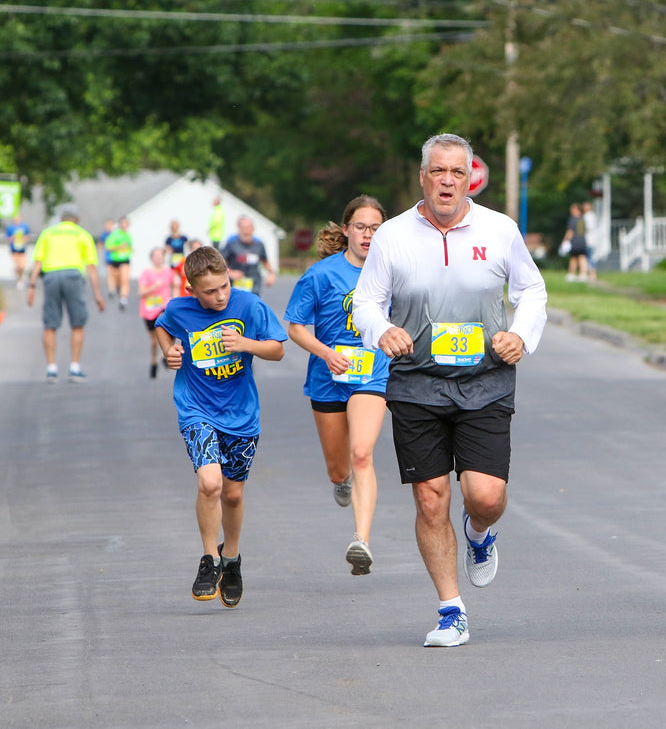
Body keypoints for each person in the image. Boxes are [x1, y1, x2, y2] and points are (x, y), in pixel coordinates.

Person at [352, 133, 548, 647]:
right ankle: (450, 610)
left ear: (469, 178)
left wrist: (521, 336)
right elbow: (366, 302)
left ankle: (479, 535)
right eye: (437, 171)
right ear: (423, 177)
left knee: (484, 495)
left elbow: (532, 291)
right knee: (431, 498)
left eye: (456, 172)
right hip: (416, 382)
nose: (446, 180)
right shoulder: (393, 235)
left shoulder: (499, 229)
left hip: (484, 380)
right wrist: (382, 331)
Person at [155, 246, 287, 607]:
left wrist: (246, 344)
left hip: (241, 415)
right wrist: (169, 352)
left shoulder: (249, 305)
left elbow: (278, 350)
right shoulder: (179, 310)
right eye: (209, 291)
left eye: (224, 286)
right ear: (191, 290)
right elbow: (161, 328)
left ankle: (231, 558)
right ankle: (208, 560)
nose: (219, 296)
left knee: (232, 493)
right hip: (196, 409)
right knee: (210, 483)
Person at [285, 196, 391, 575]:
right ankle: (341, 481)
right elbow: (295, 326)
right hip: (328, 379)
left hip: (373, 375)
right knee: (338, 468)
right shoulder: (321, 274)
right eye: (361, 227)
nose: (368, 235)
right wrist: (327, 353)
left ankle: (361, 540)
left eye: (376, 228)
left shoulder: (392, 272)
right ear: (346, 229)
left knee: (362, 453)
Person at [26, 206, 106, 382]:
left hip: (51, 276)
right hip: (73, 276)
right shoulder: (82, 234)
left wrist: (31, 286)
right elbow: (92, 268)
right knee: (77, 323)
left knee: (50, 324)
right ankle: (74, 368)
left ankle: (51, 368)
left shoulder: (48, 233)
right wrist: (98, 295)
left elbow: (38, 263)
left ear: (61, 219)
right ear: (76, 219)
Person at [138, 247, 176, 379]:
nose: (159, 259)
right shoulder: (146, 273)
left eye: (161, 256)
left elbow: (175, 286)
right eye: (156, 256)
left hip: (164, 307)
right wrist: (153, 287)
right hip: (149, 310)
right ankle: (154, 361)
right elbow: (141, 292)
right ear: (151, 258)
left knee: (170, 333)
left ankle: (165, 355)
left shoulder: (169, 272)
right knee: (154, 339)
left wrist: (175, 301)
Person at [221, 215, 275, 296]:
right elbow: (220, 264)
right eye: (243, 227)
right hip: (235, 287)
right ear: (239, 228)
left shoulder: (259, 244)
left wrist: (271, 274)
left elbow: (265, 260)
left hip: (254, 286)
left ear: (253, 229)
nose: (246, 231)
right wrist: (230, 273)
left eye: (249, 227)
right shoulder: (231, 243)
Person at [104, 216, 133, 310]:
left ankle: (123, 299)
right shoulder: (115, 234)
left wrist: (130, 249)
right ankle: (117, 289)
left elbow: (130, 247)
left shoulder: (128, 235)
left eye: (126, 223)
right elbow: (108, 247)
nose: (124, 225)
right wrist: (119, 247)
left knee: (125, 279)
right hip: (115, 260)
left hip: (125, 260)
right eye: (123, 223)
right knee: (118, 279)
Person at [560, 202, 588, 281]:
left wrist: (564, 241)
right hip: (583, 240)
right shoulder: (583, 219)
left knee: (574, 258)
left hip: (575, 241)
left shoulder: (573, 219)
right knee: (582, 257)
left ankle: (572, 274)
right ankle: (583, 274)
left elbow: (570, 232)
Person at [5, 213, 31, 289]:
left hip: (22, 249)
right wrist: (13, 238)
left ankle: (21, 278)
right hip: (14, 249)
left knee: (23, 266)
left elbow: (28, 236)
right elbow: (7, 238)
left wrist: (24, 239)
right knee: (17, 266)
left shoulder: (24, 226)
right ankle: (19, 280)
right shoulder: (10, 228)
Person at [98, 218, 117, 298]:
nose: (108, 226)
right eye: (107, 225)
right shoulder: (104, 235)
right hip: (108, 257)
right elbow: (100, 244)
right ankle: (111, 289)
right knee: (110, 273)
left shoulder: (116, 234)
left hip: (117, 257)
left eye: (110, 225)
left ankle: (117, 286)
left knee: (116, 274)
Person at [581, 200, 599, 282]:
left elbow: (588, 227)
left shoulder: (587, 216)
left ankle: (592, 274)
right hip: (592, 239)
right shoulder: (592, 215)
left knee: (589, 257)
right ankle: (592, 273)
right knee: (590, 256)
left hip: (588, 239)